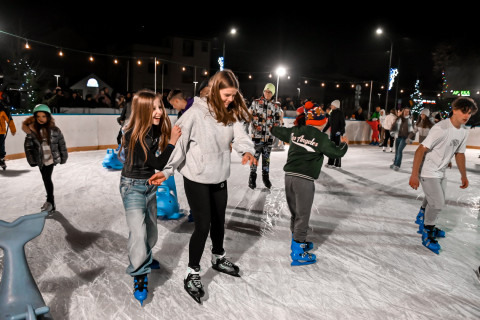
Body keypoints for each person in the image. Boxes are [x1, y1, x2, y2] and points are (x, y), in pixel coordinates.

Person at [147, 69, 256, 304]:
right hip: (196, 177)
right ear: (216, 90)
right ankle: (192, 272)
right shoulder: (194, 113)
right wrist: (165, 171)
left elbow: (241, 136)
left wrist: (246, 150)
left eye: (233, 96)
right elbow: (179, 146)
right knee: (203, 225)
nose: (231, 100)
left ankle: (218, 257)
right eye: (227, 95)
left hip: (219, 176)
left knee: (219, 221)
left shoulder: (229, 113)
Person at [119, 89, 181, 305]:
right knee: (138, 233)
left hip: (150, 187)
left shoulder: (155, 129)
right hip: (132, 187)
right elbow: (157, 163)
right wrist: (172, 142)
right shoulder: (132, 135)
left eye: (160, 107)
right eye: (153, 108)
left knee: (151, 233)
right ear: (142, 111)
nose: (158, 112)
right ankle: (139, 275)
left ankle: (146, 255)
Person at [271, 109, 348, 266]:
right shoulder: (321, 137)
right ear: (322, 122)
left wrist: (272, 127)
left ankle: (297, 240)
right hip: (304, 181)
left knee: (295, 213)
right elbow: (336, 153)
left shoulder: (296, 130)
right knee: (303, 215)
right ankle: (298, 251)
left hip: (289, 177)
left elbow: (279, 131)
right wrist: (345, 144)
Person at [409, 97, 477, 254]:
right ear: (454, 110)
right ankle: (427, 231)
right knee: (438, 203)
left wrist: (463, 175)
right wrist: (414, 175)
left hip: (441, 171)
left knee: (434, 197)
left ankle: (422, 216)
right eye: (463, 111)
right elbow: (420, 150)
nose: (466, 116)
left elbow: (459, 153)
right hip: (428, 171)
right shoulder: (441, 128)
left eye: (469, 113)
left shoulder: (464, 131)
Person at [22, 104, 68, 212]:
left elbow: (61, 143)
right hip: (40, 159)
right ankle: (50, 201)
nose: (41, 119)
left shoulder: (55, 130)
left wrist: (63, 157)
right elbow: (28, 146)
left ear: (48, 117)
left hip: (50, 159)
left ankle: (51, 202)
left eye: (43, 116)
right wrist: (32, 160)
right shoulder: (32, 130)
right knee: (45, 179)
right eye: (38, 116)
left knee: (47, 179)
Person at [247, 83, 282, 189]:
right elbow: (249, 116)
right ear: (263, 91)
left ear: (273, 94)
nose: (267, 93)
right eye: (266, 91)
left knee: (266, 159)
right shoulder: (256, 103)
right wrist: (254, 127)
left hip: (268, 138)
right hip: (257, 137)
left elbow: (277, 121)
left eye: (270, 92)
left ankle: (265, 178)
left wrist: (275, 132)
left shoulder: (276, 106)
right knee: (255, 158)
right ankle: (252, 178)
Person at [322, 99, 346, 168]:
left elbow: (343, 124)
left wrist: (340, 131)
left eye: (332, 105)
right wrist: (323, 131)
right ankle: (330, 163)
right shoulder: (331, 113)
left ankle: (337, 164)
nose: (331, 106)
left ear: (335, 106)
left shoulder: (340, 113)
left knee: (337, 148)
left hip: (338, 133)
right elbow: (328, 124)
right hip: (333, 133)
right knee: (331, 148)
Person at [0, 93, 16, 169]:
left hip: (0, 132)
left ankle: (1, 159)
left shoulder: (3, 108)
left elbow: (9, 119)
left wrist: (13, 129)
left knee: (1, 147)